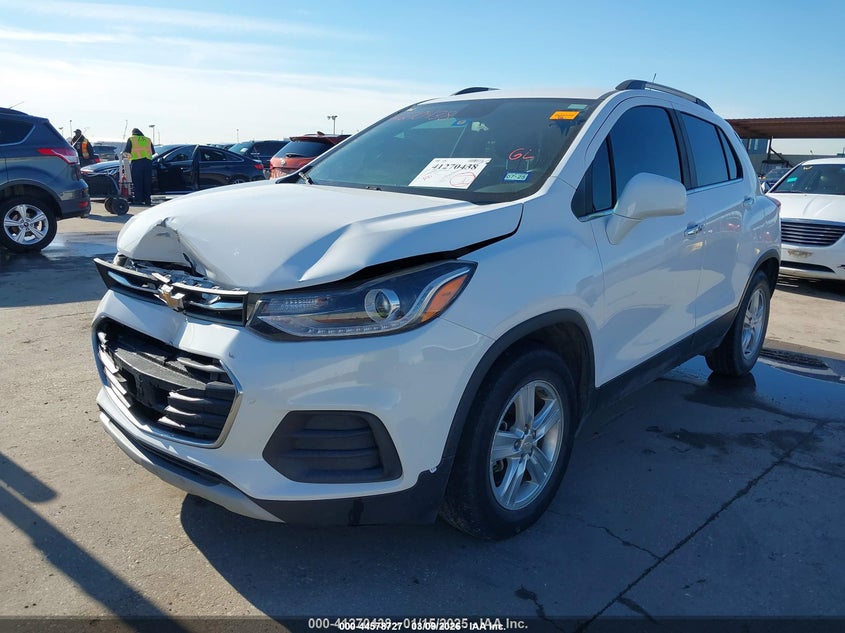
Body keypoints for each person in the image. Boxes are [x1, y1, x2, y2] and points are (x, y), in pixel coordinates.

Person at [124, 127, 155, 206]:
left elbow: (127, 152)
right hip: (148, 162)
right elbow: (153, 152)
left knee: (137, 182)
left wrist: (126, 158)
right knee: (147, 182)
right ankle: (147, 200)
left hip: (137, 162)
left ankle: (138, 199)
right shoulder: (148, 139)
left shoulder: (132, 139)